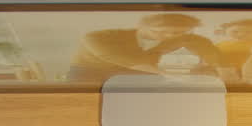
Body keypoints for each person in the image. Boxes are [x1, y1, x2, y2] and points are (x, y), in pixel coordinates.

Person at [67, 13, 223, 82]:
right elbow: (124, 59)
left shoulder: (186, 38)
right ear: (140, 26)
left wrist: (211, 64)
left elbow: (209, 51)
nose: (168, 36)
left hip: (139, 71)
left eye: (176, 32)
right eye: (159, 31)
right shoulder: (98, 37)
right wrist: (169, 74)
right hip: (90, 72)